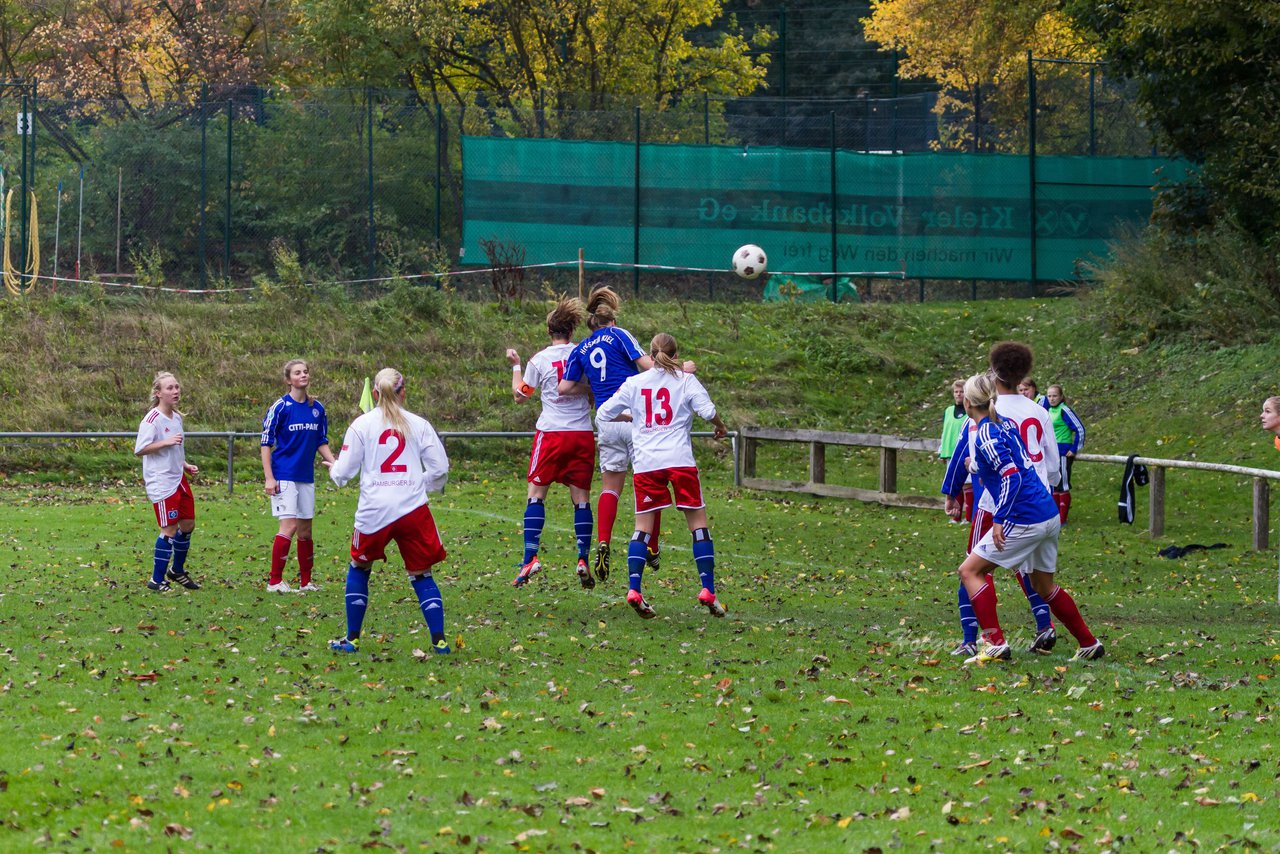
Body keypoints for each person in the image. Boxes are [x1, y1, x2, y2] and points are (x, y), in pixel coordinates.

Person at [953, 372, 1103, 664]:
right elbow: (1014, 464)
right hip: (1047, 511)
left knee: (970, 571)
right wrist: (974, 467)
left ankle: (994, 642)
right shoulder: (1005, 424)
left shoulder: (984, 432)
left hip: (1024, 517)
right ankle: (1088, 643)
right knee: (1044, 586)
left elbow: (1009, 474)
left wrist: (1000, 518)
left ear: (969, 403)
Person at [558, 287, 691, 583]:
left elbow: (565, 388)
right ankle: (652, 547)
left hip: (606, 419)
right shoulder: (619, 335)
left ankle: (603, 541)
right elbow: (649, 366)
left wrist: (593, 388)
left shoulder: (581, 348)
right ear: (611, 320)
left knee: (610, 487)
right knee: (650, 484)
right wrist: (684, 370)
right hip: (634, 418)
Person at [596, 333, 729, 620]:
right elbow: (708, 411)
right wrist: (721, 426)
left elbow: (603, 414)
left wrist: (629, 417)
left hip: (647, 463)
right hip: (679, 460)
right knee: (698, 524)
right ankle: (707, 589)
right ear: (674, 352)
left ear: (650, 353)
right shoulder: (685, 380)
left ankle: (634, 589)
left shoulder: (634, 383)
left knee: (642, 527)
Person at [943, 342, 1060, 656]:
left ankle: (975, 639)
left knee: (972, 566)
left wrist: (951, 491)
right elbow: (1053, 467)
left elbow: (962, 456)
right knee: (1030, 570)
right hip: (1041, 503)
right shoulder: (1040, 411)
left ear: (993, 374)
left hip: (997, 504)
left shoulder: (987, 414)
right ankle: (1045, 624)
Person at [327, 368, 452, 655]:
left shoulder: (362, 425)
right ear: (403, 391)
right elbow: (440, 469)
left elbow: (343, 472)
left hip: (374, 511)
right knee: (422, 574)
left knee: (359, 566)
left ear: (375, 394)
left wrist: (334, 469)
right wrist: (421, 484)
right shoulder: (419, 424)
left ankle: (352, 640)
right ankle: (440, 641)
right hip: (412, 510)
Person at [506, 297, 596, 589]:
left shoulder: (540, 359)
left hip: (552, 435)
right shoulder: (584, 354)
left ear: (550, 331)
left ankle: (530, 558)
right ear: (571, 330)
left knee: (536, 494)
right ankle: (582, 558)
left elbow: (521, 395)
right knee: (581, 498)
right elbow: (595, 391)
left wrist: (517, 366)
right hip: (581, 433)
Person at [260, 359, 336, 593]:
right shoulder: (280, 407)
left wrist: (335, 463)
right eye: (297, 373)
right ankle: (274, 582)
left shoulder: (317, 408)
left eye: (305, 372)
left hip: (305, 476)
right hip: (284, 474)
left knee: (305, 530)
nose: (303, 375)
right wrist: (269, 477)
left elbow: (320, 441)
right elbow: (266, 443)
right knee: (289, 526)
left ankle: (306, 582)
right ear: (288, 379)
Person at [133, 371, 201, 592]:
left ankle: (177, 571)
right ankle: (156, 580)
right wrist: (165, 442)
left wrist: (185, 465)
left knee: (188, 524)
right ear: (158, 393)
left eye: (177, 387)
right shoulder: (152, 419)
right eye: (170, 388)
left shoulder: (177, 417)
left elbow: (175, 450)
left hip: (178, 478)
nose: (175, 391)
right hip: (161, 481)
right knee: (169, 529)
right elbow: (140, 450)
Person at [1043, 383, 1086, 525]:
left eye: (1054, 396)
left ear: (1061, 396)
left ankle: (1063, 519)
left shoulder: (1064, 410)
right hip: (1050, 452)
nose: (1051, 398)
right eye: (1049, 396)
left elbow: (1079, 429)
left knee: (1063, 485)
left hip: (1062, 452)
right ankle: (1055, 517)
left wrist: (1074, 449)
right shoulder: (1047, 410)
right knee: (1053, 484)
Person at [938, 379, 967, 462]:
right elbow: (945, 432)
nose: (958, 394)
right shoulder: (948, 411)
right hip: (949, 454)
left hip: (964, 455)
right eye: (956, 392)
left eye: (961, 391)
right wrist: (941, 451)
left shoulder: (971, 412)